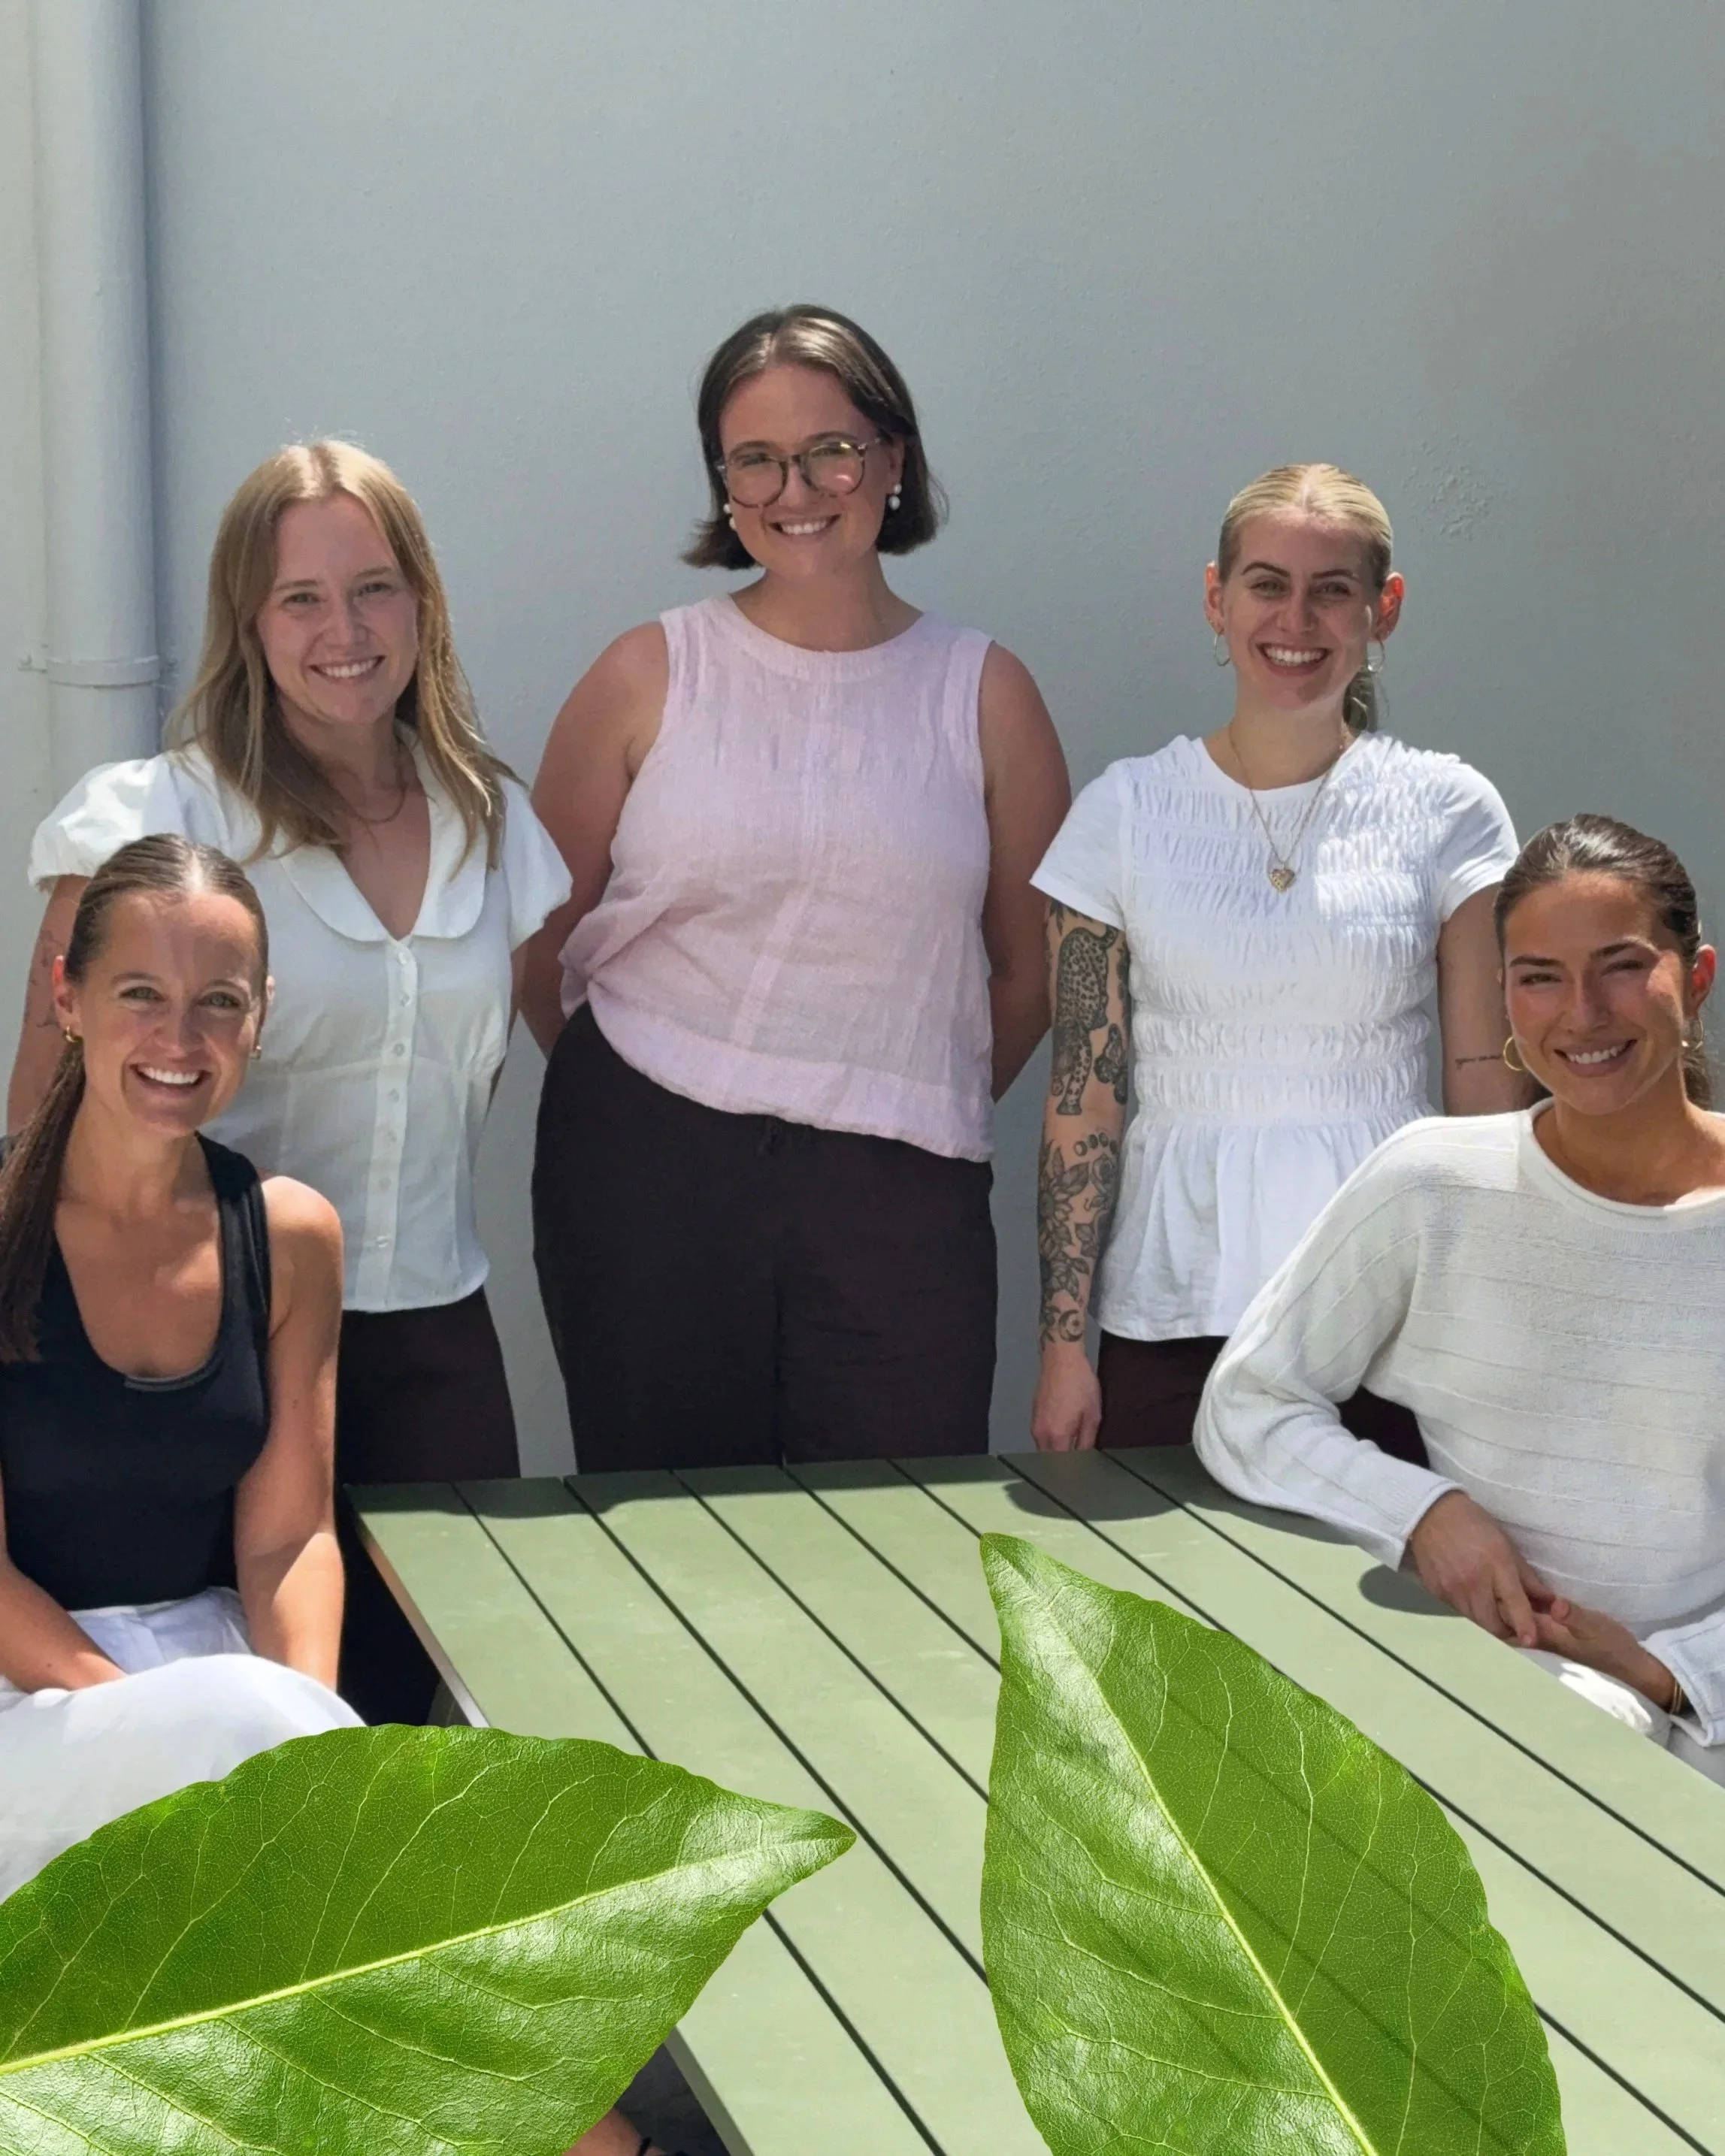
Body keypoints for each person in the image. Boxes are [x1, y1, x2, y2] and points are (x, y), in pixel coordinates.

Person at [524, 304, 1070, 1470]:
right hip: (646, 1173)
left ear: (892, 460)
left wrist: (883, 1089)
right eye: (754, 459)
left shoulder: (983, 692)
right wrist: (628, 1111)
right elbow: (537, 945)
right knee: (664, 1549)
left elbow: (1033, 972)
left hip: (899, 1187)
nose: (795, 486)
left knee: (892, 1548)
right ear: (722, 484)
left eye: (828, 447)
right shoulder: (647, 673)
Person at [14, 440, 570, 1494]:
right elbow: (41, 1108)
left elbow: (464, 1078)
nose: (345, 632)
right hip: (208, 1355)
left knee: (440, 1657)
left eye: (373, 590)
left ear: (422, 604)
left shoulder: (490, 824)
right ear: (249, 622)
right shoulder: (158, 819)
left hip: (436, 1346)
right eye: (300, 600)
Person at [1195, 815, 1725, 1780]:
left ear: (1695, 980)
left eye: (1620, 966)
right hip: (1509, 1707)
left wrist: (1669, 1670)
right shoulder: (1434, 1182)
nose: (1582, 1013)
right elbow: (1246, 1402)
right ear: (1504, 1001)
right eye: (1539, 976)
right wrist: (1425, 1512)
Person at [1029, 463, 1527, 1454]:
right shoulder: (1122, 815)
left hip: (1387, 1311)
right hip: (1172, 1308)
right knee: (1169, 1599)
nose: (1293, 617)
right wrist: (1060, 1346)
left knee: (1365, 1606)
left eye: (1330, 589)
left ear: (1381, 610)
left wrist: (1492, 1324)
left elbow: (1484, 1089)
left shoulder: (1449, 810)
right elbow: (1083, 1096)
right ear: (1216, 600)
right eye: (1264, 583)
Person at [0, 835, 360, 1897]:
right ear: (67, 998)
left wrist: (306, 1749)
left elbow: (292, 1540)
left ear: (260, 1016)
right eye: (141, 993)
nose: (178, 1036)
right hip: (33, 1703)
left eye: (217, 1002)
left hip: (220, 1688)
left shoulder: (290, 1234)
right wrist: (157, 1744)